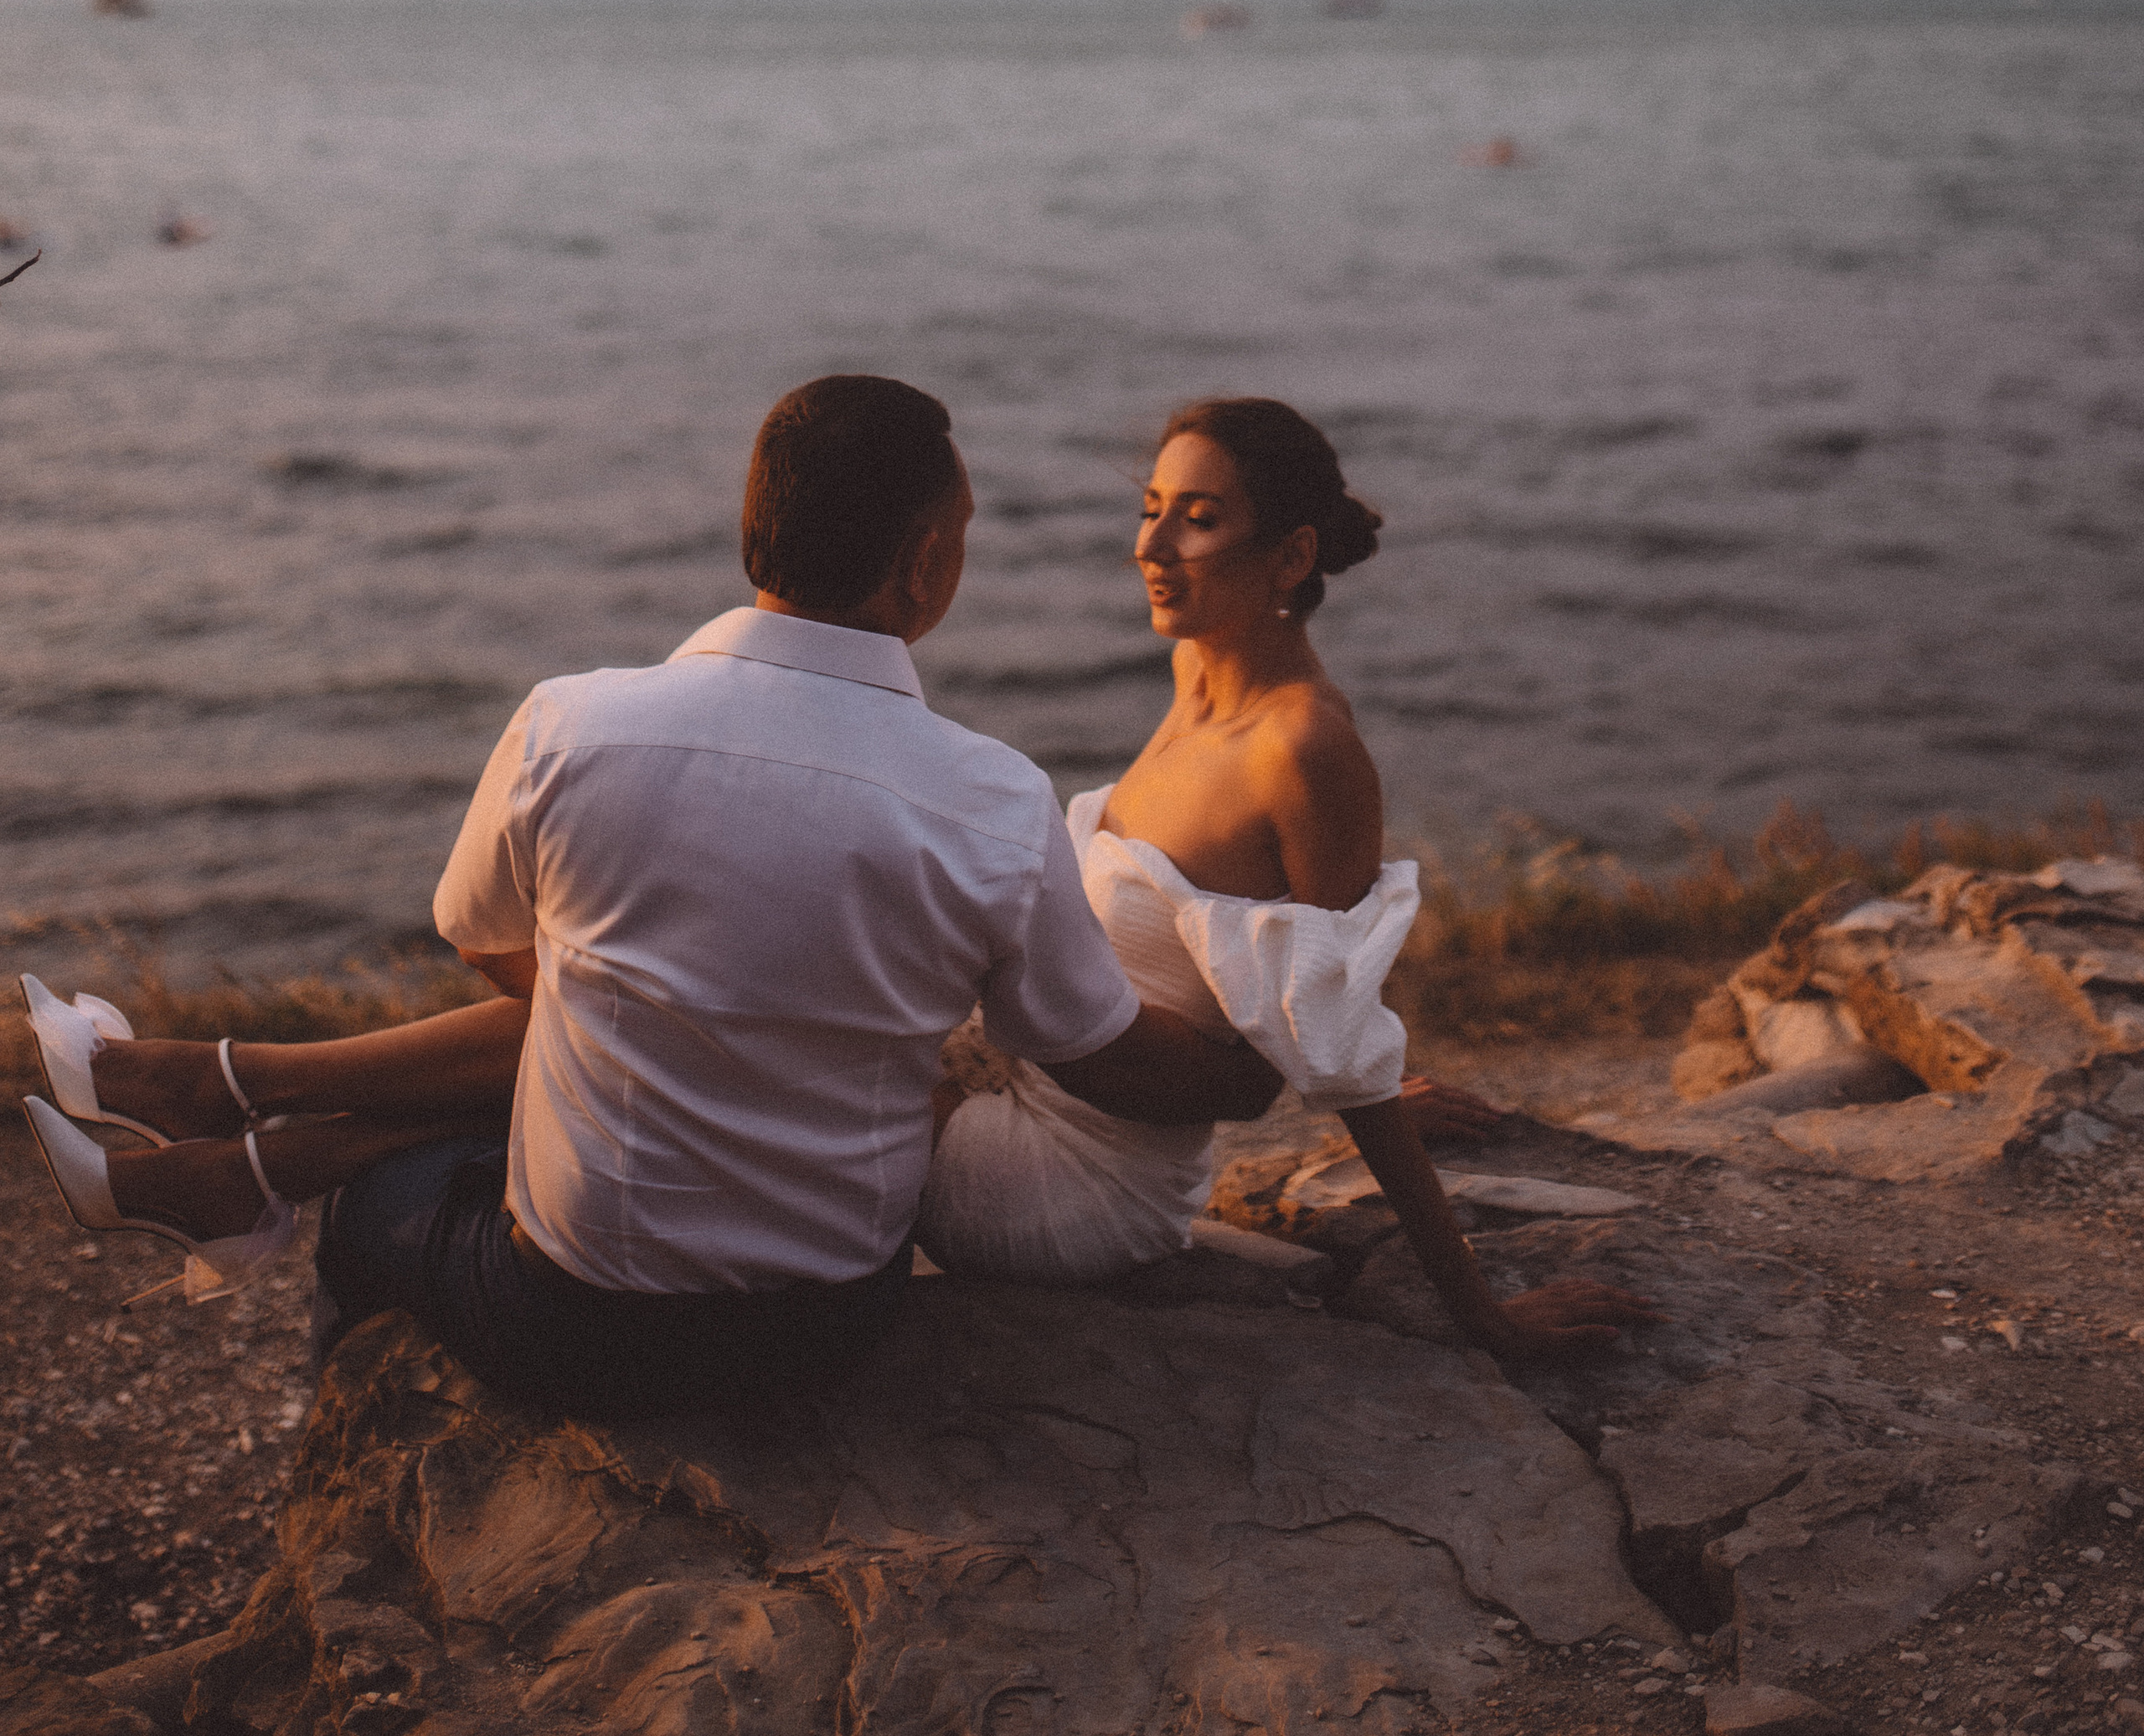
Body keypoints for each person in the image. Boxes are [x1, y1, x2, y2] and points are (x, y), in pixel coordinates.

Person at [23, 377, 1277, 1412]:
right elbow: (1095, 1054)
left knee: (413, 1168)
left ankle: (256, 1199)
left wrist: (671, 1004)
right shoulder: (992, 800)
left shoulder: (575, 726)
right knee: (584, 1042)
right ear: (928, 567)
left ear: (751, 540)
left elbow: (483, 941)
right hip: (831, 1330)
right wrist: (1261, 1059)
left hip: (578, 1327)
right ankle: (221, 1144)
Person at [914, 398, 1651, 1363]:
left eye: (1200, 518)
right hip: (1023, 1090)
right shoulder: (1195, 669)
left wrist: (1483, 1310)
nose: (1154, 544)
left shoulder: (1301, 749)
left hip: (1070, 1189)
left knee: (822, 1069)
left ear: (1291, 557)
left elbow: (1335, 1023)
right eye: (1151, 506)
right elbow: (1241, 979)